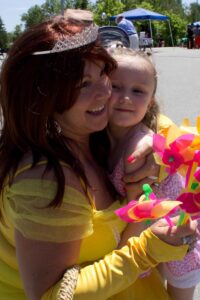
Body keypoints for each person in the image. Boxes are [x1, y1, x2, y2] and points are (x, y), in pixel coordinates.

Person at [0, 10, 198, 300]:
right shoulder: (42, 182)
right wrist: (146, 251)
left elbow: (178, 138)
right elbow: (50, 296)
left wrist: (147, 137)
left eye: (103, 74)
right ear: (45, 99)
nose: (106, 92)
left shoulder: (92, 134)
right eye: (84, 85)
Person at [105, 47, 200, 300]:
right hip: (151, 234)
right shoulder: (102, 139)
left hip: (176, 235)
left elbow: (140, 208)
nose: (125, 98)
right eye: (115, 86)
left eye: (138, 91)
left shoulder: (140, 147)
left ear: (151, 101)